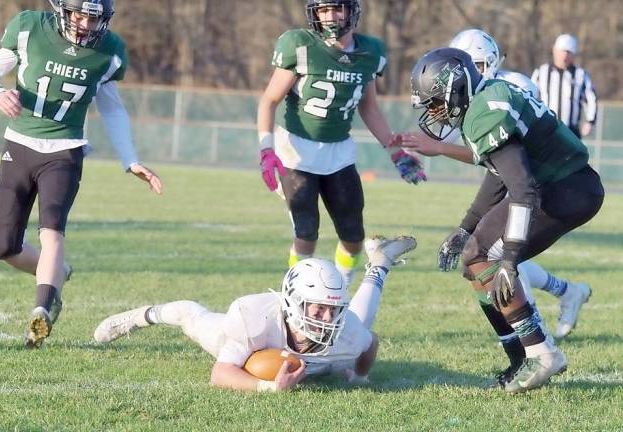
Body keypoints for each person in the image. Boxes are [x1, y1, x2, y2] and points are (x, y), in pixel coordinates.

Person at [408, 47, 604, 393]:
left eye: (436, 101)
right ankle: (519, 357)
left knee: (485, 256)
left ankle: (542, 353)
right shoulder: (484, 102)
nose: (435, 112)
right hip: (557, 185)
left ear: (457, 87)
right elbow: (500, 174)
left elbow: (522, 188)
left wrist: (511, 258)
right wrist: (465, 226)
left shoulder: (485, 110)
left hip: (565, 188)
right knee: (473, 260)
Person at [0, 0, 163, 349]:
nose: (86, 24)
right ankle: (57, 274)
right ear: (62, 10)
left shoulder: (110, 51)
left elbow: (113, 110)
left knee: (52, 232)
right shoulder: (30, 28)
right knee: (4, 247)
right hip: (19, 144)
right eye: (80, 14)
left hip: (65, 150)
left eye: (95, 17)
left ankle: (41, 312)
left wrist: (130, 159)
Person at [94, 235, 417, 391]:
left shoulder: (346, 332)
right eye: (318, 308)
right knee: (189, 316)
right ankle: (141, 316)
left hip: (317, 349)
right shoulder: (253, 316)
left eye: (332, 310)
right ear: (293, 300)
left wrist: (359, 377)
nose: (326, 319)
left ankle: (380, 263)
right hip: (249, 341)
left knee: (359, 323)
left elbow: (369, 341)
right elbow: (220, 374)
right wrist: (270, 388)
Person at [256, 0, 425, 287]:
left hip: (339, 154)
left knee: (353, 236)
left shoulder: (369, 52)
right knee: (306, 232)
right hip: (296, 151)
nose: (330, 17)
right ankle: (296, 294)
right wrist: (265, 148)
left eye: (336, 9)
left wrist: (394, 152)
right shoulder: (300, 45)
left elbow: (369, 108)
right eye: (322, 10)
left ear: (352, 11)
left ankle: (341, 290)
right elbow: (269, 100)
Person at [532, 34, 598, 139]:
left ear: (574, 55)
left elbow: (591, 99)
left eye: (569, 53)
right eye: (562, 51)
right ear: (554, 50)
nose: (565, 56)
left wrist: (590, 121)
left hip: (571, 131)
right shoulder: (541, 72)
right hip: (545, 129)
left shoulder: (581, 74)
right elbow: (530, 97)